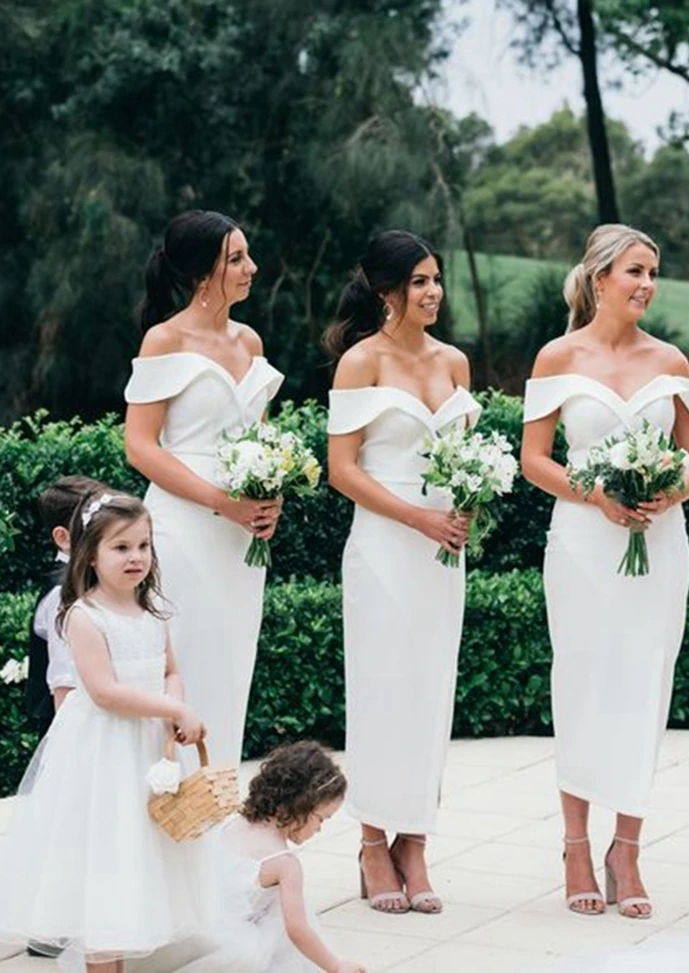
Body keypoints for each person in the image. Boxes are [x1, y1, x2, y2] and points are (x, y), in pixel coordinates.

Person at [521, 224, 689, 919]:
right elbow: (535, 456)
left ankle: (626, 848)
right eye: (634, 271)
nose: (646, 284)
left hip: (660, 544)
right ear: (599, 278)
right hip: (581, 542)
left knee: (646, 680)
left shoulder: (672, 361)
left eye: (653, 272)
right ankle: (575, 843)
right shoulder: (557, 356)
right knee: (581, 679)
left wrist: (672, 489)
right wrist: (592, 493)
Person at [326, 230, 481, 915]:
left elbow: (468, 455)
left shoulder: (457, 362)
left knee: (430, 690)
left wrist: (468, 499)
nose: (433, 291)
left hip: (444, 551)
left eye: (436, 279)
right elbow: (343, 469)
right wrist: (416, 518)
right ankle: (370, 841)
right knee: (380, 689)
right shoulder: (360, 363)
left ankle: (415, 841)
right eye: (419, 281)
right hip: (386, 546)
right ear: (387, 291)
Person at [0, 490, 214, 972]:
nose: (136, 557)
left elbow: (170, 669)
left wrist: (175, 706)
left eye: (143, 545)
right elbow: (104, 692)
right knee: (104, 866)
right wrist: (169, 708)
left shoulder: (152, 609)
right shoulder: (83, 616)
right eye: (121, 547)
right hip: (103, 754)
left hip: (146, 751)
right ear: (90, 555)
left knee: (140, 865)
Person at [124, 210, 284, 768]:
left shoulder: (251, 342)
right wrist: (224, 503)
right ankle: (167, 809)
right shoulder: (163, 340)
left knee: (231, 664)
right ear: (200, 273)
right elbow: (141, 447)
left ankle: (216, 819)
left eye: (246, 255)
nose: (251, 268)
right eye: (236, 259)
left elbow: (260, 439)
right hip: (183, 530)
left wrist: (271, 495)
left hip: (241, 544)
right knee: (181, 664)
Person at [133, 741, 366, 973]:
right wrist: (336, 966)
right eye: (321, 819)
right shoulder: (285, 863)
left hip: (182, 930)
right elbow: (298, 930)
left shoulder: (229, 821)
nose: (319, 829)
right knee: (285, 916)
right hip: (222, 945)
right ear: (302, 805)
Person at [25, 475, 105, 741]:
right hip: (71, 731)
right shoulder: (64, 593)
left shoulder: (96, 580)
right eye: (98, 527)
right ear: (64, 537)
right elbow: (64, 680)